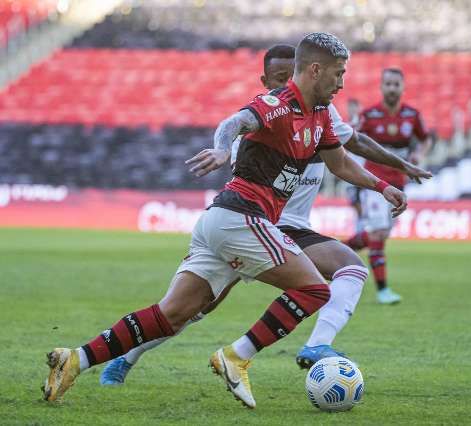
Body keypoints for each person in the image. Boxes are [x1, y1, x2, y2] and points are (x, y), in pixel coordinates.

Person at [42, 33, 409, 410]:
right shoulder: (279, 104)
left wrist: (382, 186)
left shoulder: (319, 116)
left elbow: (341, 162)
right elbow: (234, 123)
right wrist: (221, 147)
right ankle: (237, 356)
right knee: (315, 290)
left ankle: (75, 359)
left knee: (172, 315)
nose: (342, 83)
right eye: (337, 74)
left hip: (222, 222)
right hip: (241, 218)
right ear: (315, 70)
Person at [344, 68, 436, 304]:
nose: (392, 88)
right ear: (381, 87)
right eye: (388, 84)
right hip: (374, 183)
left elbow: (426, 138)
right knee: (379, 233)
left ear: (402, 88)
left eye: (396, 84)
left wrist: (417, 155)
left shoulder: (412, 115)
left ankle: (339, 251)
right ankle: (383, 290)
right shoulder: (370, 115)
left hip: (399, 183)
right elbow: (352, 138)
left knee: (377, 234)